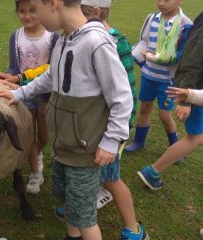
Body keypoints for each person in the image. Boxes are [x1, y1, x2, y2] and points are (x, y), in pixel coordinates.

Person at [0, 0, 133, 239]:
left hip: (84, 150)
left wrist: (112, 140)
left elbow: (122, 96)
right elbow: (50, 76)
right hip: (63, 145)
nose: (34, 16)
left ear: (53, 3)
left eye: (36, 9)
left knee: (85, 217)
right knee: (68, 200)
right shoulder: (64, 39)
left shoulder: (96, 43)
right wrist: (20, 93)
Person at [54, 1, 148, 239]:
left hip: (108, 133)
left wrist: (116, 136)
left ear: (94, 13)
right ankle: (77, 207)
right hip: (89, 131)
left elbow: (125, 92)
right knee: (97, 178)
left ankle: (133, 228)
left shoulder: (112, 41)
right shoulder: (75, 39)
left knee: (111, 178)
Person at [0, 0, 59, 195]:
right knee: (29, 135)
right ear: (17, 12)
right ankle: (35, 172)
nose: (28, 15)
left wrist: (48, 98)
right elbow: (14, 67)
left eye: (32, 10)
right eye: (22, 11)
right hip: (24, 92)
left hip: (45, 93)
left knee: (44, 136)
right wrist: (9, 78)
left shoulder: (52, 36)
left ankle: (35, 155)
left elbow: (54, 70)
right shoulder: (16, 37)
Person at [138, 11, 203, 190]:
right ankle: (153, 171)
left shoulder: (191, 21)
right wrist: (186, 100)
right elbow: (192, 62)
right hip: (193, 91)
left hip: (192, 91)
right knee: (195, 137)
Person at [124, 0, 192, 164]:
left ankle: (175, 148)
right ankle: (139, 141)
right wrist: (133, 55)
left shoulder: (186, 24)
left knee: (164, 114)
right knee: (145, 108)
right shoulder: (151, 18)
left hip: (168, 80)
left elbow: (183, 54)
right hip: (149, 75)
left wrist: (159, 58)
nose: (161, 3)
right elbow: (144, 42)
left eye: (167, 0)